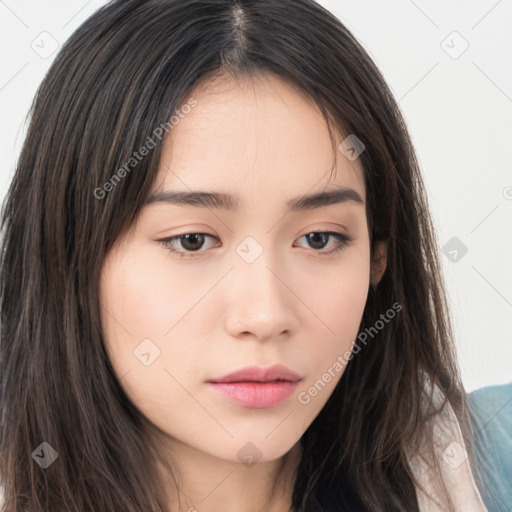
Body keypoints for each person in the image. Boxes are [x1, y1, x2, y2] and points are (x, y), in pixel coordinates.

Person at [0, 0, 490, 510]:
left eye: (319, 238)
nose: (265, 316)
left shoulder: (488, 468)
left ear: (378, 259)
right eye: (192, 240)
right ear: (69, 255)